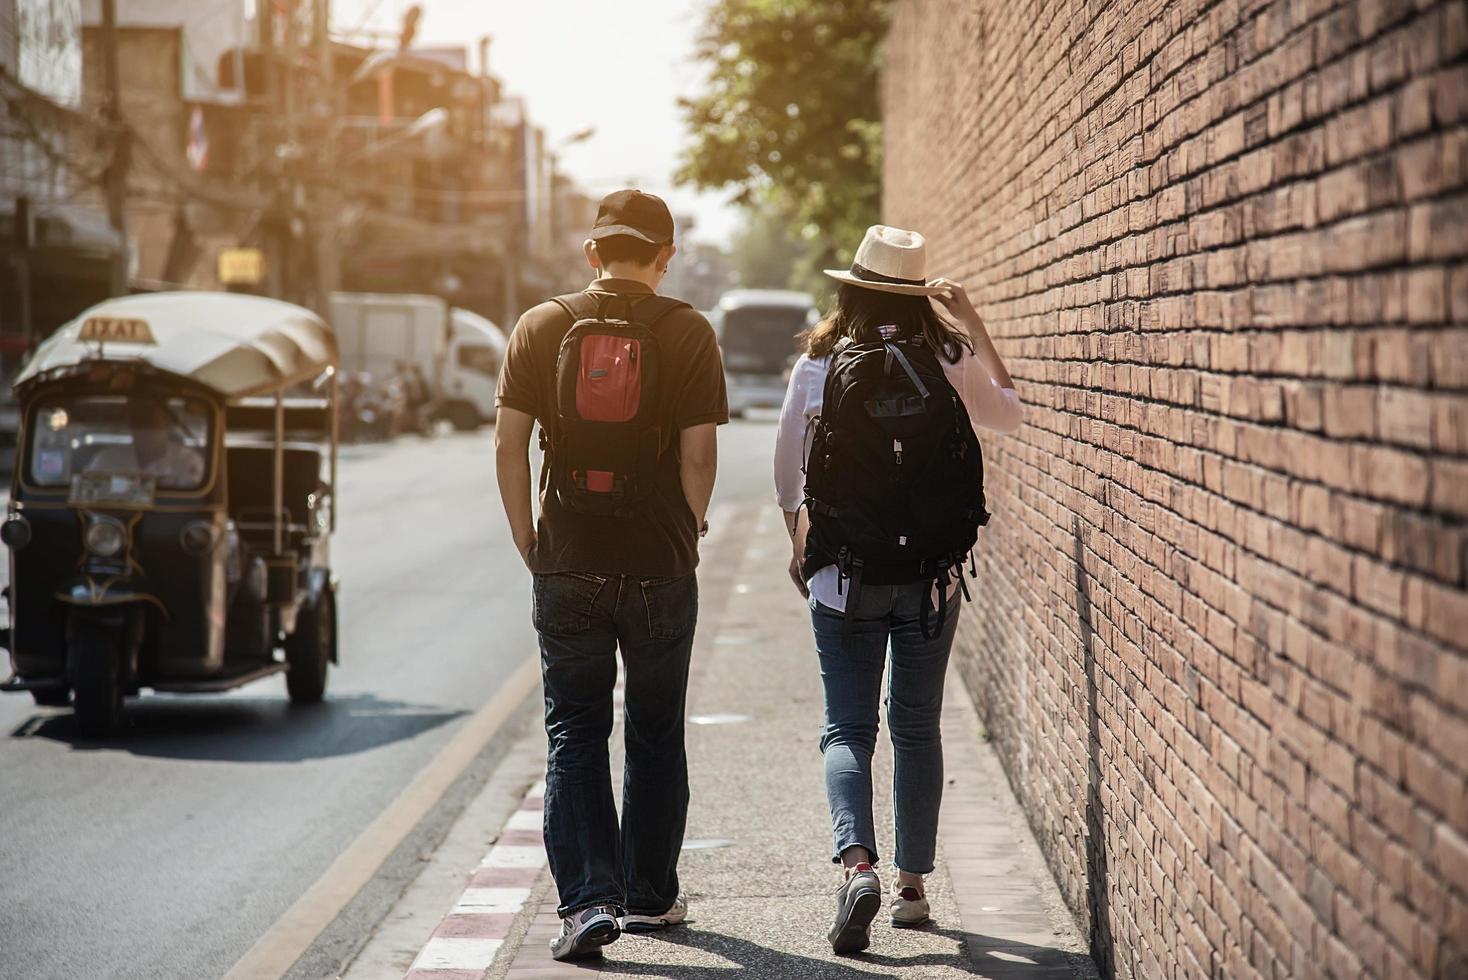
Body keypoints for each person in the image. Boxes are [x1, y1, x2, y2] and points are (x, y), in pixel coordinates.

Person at [773, 225, 1022, 953]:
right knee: (916, 728)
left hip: (843, 578)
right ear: (918, 294)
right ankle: (914, 889)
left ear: (849, 287)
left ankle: (858, 866)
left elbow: (788, 473)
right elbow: (1008, 410)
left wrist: (802, 542)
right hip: (931, 583)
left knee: (848, 729)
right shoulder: (945, 354)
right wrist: (970, 320)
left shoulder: (820, 362)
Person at [494, 189, 728, 961]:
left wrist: (532, 543)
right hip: (659, 563)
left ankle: (588, 904)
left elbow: (509, 447)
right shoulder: (689, 330)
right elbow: (699, 456)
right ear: (665, 256)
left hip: (568, 558)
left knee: (575, 731)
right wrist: (686, 530)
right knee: (656, 731)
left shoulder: (541, 325)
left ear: (593, 253)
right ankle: (651, 896)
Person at [86, 398, 207, 489]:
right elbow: (89, 493)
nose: (144, 428)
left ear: (167, 421)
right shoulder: (106, 459)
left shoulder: (188, 461)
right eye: (138, 419)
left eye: (150, 420)